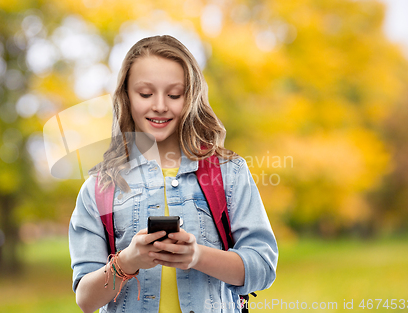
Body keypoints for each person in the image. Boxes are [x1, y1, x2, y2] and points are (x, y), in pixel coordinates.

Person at [69, 35, 278, 313]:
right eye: (145, 94)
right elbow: (85, 299)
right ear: (126, 97)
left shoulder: (229, 173)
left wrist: (197, 256)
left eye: (174, 94)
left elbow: (263, 267)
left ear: (190, 97)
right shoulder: (99, 187)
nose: (159, 105)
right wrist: (128, 261)